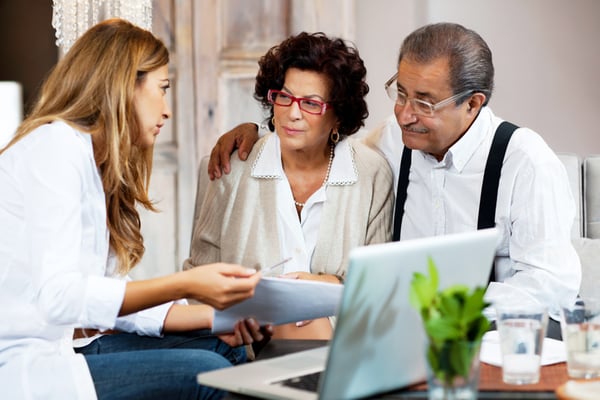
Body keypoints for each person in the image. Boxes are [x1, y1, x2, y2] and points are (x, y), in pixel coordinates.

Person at [207, 23, 581, 339]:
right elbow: (325, 137)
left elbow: (549, 286)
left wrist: (444, 311)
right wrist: (261, 131)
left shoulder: (525, 162)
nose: (404, 114)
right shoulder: (392, 141)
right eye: (400, 93)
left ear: (473, 104)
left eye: (424, 102)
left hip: (493, 337)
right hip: (398, 335)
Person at [0, 19, 269, 400]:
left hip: (64, 351)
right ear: (125, 85)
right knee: (207, 374)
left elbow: (110, 300)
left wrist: (218, 319)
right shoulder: (55, 147)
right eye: (162, 90)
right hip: (27, 368)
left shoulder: (90, 161)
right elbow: (61, 298)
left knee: (224, 347)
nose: (167, 111)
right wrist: (186, 283)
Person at [185, 32, 393, 340]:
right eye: (284, 96)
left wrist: (324, 285)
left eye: (310, 103)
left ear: (338, 114)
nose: (292, 113)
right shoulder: (230, 168)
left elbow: (378, 283)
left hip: (343, 339)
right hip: (245, 342)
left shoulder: (371, 173)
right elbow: (198, 276)